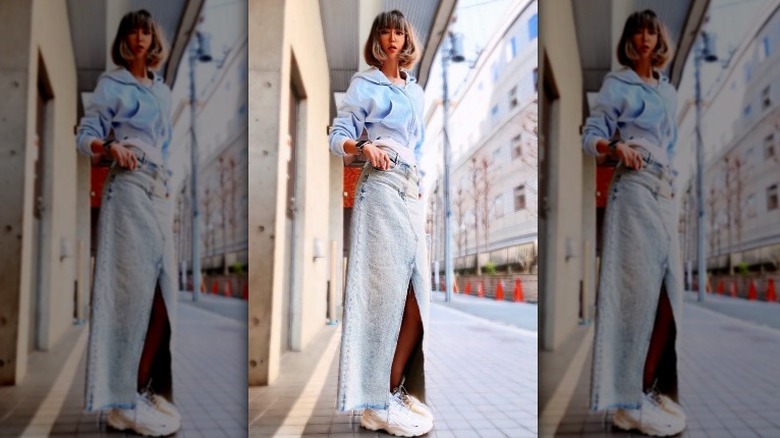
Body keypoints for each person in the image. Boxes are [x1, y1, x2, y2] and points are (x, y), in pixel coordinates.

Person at [328, 9, 433, 437]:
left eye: (399, 32)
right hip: (379, 187)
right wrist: (364, 147)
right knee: (382, 299)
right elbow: (337, 136)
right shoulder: (363, 83)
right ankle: (376, 403)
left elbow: (419, 145)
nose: (392, 39)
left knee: (417, 300)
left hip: (410, 192)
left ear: (407, 40)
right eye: (385, 31)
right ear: (376, 38)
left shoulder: (416, 91)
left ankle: (386, 393)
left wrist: (421, 184)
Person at [581, 9, 687, 437]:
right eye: (638, 31)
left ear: (659, 39)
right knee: (634, 298)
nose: (645, 38)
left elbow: (673, 146)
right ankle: (626, 403)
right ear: (629, 39)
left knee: (668, 297)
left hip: (664, 193)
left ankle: (641, 391)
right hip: (633, 188)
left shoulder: (670, 90)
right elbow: (591, 135)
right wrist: (617, 147)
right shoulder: (616, 84)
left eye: (651, 31)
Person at [76, 10, 180, 437]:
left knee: (162, 300)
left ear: (153, 39)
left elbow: (167, 146)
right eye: (132, 31)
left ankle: (134, 391)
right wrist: (110, 146)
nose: (139, 38)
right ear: (123, 39)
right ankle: (121, 404)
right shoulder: (110, 84)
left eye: (146, 31)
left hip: (158, 193)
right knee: (128, 299)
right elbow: (85, 135)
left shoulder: (164, 91)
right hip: (126, 189)